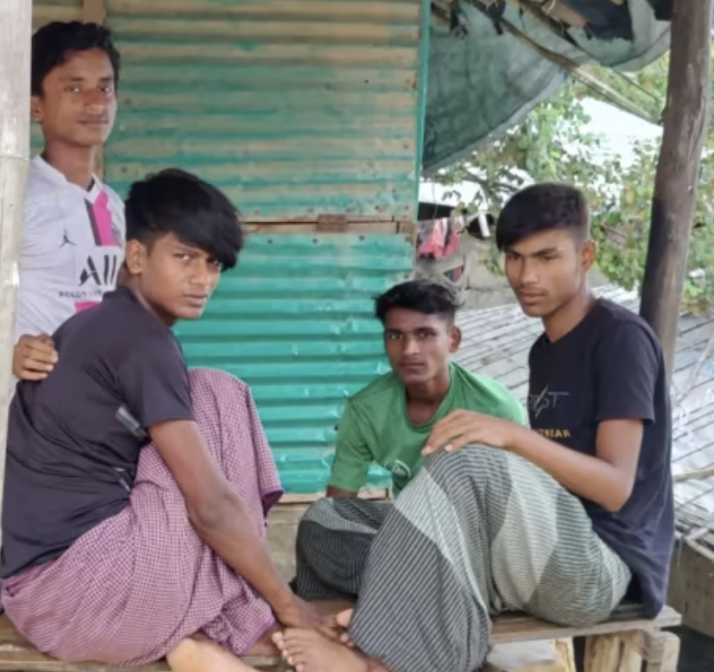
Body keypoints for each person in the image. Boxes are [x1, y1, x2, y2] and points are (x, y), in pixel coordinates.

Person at [276, 183, 674, 672]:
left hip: (599, 570)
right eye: (514, 257)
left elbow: (614, 489)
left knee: (463, 459)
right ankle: (397, 610)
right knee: (326, 521)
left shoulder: (620, 338)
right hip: (524, 558)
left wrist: (511, 437)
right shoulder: (545, 349)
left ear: (586, 255)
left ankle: (375, 660)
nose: (526, 275)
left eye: (547, 257)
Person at [0, 168, 324, 672]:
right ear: (135, 256)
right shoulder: (142, 341)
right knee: (216, 397)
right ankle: (246, 616)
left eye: (213, 263)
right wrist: (290, 606)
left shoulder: (94, 325)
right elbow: (211, 507)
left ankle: (197, 637)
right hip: (86, 597)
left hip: (40, 599)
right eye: (185, 257)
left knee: (199, 409)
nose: (203, 279)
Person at [292, 279, 527, 602]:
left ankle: (410, 594)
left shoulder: (494, 408)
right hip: (410, 534)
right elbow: (338, 507)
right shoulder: (366, 410)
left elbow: (519, 513)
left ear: (453, 340)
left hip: (479, 543)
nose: (409, 350)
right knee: (319, 522)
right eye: (395, 336)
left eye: (425, 335)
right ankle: (427, 593)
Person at [0, 21, 125, 380]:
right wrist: (7, 356)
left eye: (105, 87)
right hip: (33, 420)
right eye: (74, 87)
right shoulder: (5, 200)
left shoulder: (114, 207)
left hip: (105, 414)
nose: (95, 101)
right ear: (35, 106)